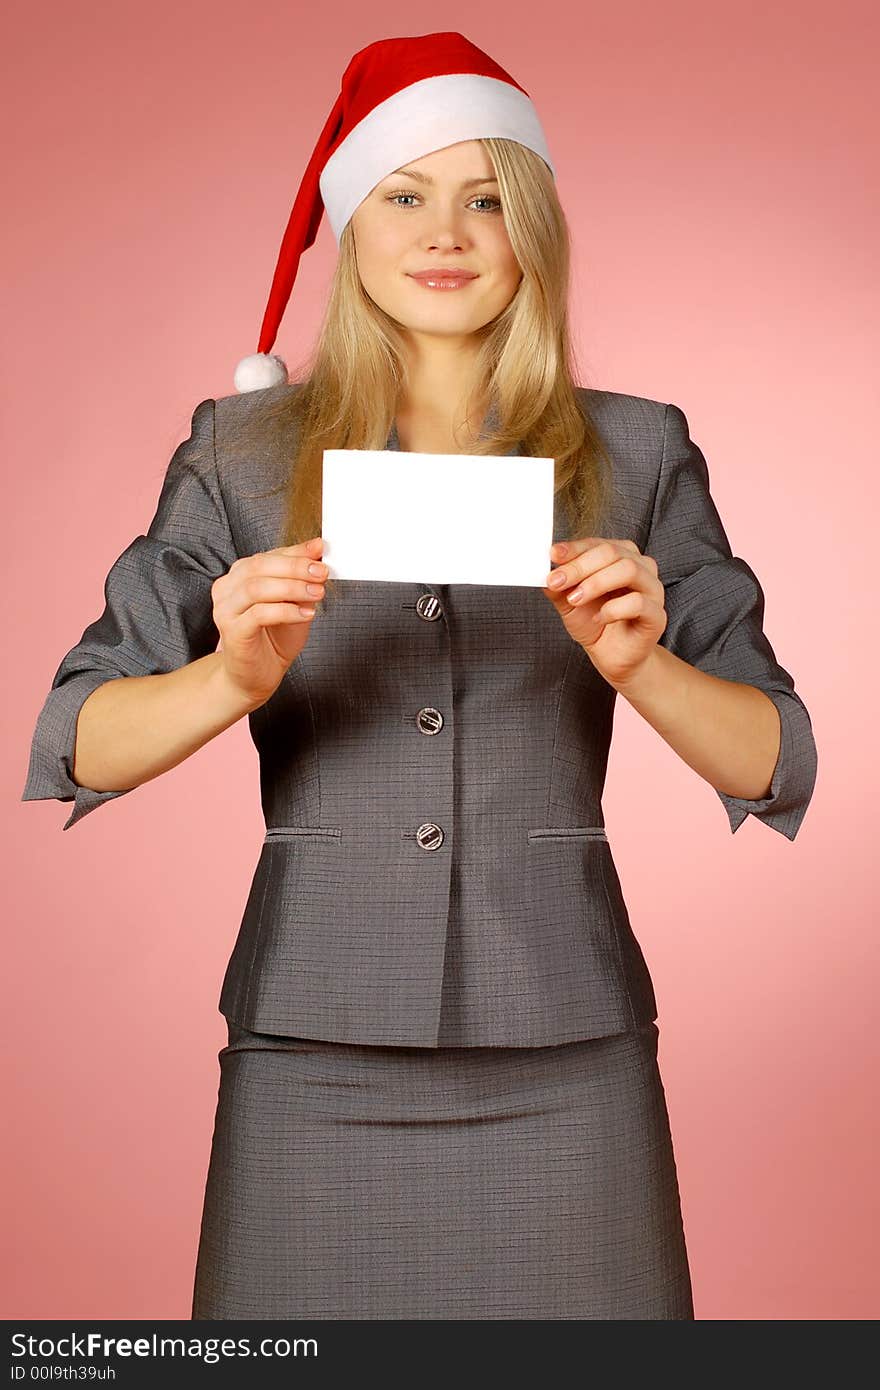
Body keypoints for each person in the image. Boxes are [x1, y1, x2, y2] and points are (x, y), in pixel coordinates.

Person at [21, 32, 818, 1321]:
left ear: (533, 235)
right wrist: (232, 676)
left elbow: (779, 758)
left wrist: (645, 664)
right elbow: (76, 738)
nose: (446, 233)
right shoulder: (240, 452)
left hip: (570, 1045)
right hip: (312, 1050)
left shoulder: (637, 451)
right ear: (352, 223)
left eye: (489, 198)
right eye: (405, 194)